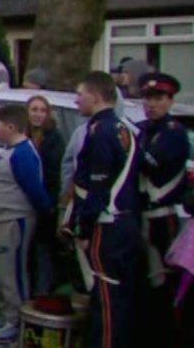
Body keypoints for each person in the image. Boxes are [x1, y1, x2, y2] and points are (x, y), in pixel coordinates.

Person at [66, 72, 143, 348]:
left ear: (96, 96)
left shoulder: (100, 132)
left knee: (107, 301)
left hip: (107, 225)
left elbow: (98, 185)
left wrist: (84, 228)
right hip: (126, 221)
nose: (76, 100)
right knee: (118, 299)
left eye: (80, 94)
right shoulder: (126, 128)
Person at [0, 104, 52, 343]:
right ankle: (5, 314)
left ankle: (16, 320)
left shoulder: (23, 154)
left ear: (11, 127)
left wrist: (46, 214)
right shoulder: (7, 151)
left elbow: (35, 190)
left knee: (12, 272)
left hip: (15, 219)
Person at [135, 72, 190, 346]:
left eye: (158, 98)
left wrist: (128, 146)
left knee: (163, 285)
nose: (151, 104)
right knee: (145, 283)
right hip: (139, 216)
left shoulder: (174, 133)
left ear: (170, 101)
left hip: (162, 218)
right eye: (147, 98)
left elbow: (151, 164)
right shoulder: (142, 129)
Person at [26, 95, 66, 296]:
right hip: (25, 205)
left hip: (45, 205)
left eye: (42, 110)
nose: (38, 114)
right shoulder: (24, 135)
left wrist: (48, 204)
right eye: (34, 109)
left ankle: (41, 295)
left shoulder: (54, 139)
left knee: (43, 253)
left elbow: (53, 174)